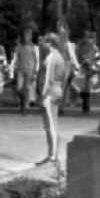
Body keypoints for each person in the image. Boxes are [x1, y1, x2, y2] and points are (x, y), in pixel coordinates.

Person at [38, 33, 67, 166]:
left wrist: (43, 95)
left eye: (45, 42)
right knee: (52, 123)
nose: (43, 44)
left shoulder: (51, 57)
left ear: (50, 44)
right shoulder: (60, 56)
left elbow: (48, 79)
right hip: (58, 89)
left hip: (50, 92)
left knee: (50, 124)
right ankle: (52, 153)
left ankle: (52, 155)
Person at [10, 29, 40, 114]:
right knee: (19, 88)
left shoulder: (34, 47)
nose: (26, 37)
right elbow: (15, 59)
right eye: (25, 35)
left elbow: (37, 60)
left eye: (28, 35)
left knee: (26, 88)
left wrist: (35, 72)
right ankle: (23, 101)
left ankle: (25, 107)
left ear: (31, 37)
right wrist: (12, 69)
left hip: (30, 70)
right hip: (20, 70)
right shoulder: (19, 47)